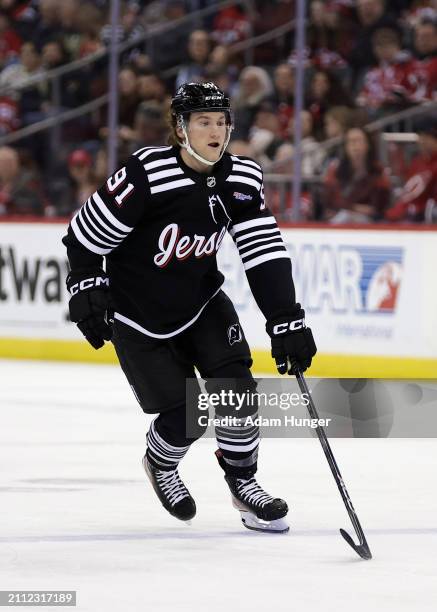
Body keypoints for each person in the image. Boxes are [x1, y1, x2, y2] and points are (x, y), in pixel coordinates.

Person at [62, 82, 316, 533]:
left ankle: (244, 485)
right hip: (138, 315)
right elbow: (84, 233)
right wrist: (85, 285)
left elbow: (264, 252)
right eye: (203, 122)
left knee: (238, 394)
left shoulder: (243, 178)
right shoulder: (147, 174)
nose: (216, 131)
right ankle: (160, 464)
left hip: (201, 302)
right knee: (188, 413)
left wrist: (285, 319)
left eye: (221, 122)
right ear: (180, 128)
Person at [320, 126, 391, 223]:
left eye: (358, 141)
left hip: (370, 222)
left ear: (367, 145)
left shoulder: (378, 171)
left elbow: (379, 204)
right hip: (339, 217)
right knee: (343, 217)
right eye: (351, 141)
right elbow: (331, 200)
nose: (355, 145)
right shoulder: (336, 170)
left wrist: (350, 208)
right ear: (345, 146)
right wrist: (353, 207)